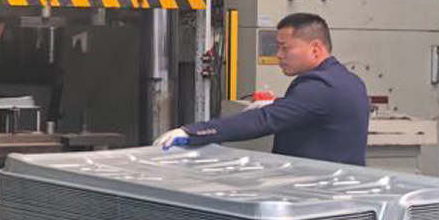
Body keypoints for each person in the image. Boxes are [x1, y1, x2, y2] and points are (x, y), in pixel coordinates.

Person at [156, 12, 370, 166]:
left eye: (285, 48)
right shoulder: (349, 80)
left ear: (315, 48)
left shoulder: (320, 87)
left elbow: (262, 121)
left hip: (317, 198)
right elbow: (311, 110)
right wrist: (278, 104)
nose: (278, 55)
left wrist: (193, 132)